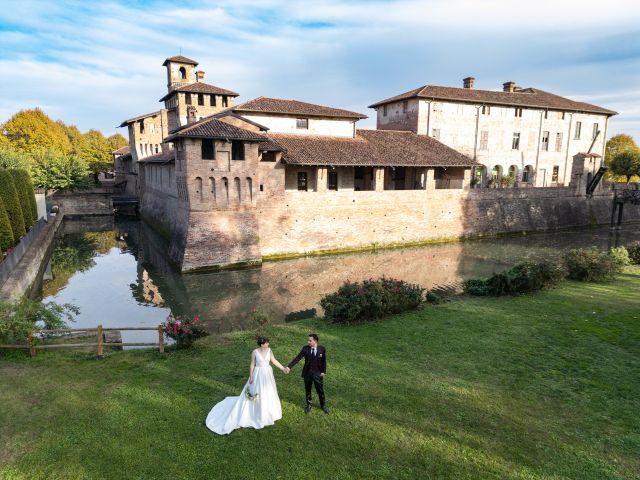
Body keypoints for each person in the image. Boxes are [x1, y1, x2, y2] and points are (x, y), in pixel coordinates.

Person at [205, 337, 287, 434]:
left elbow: (274, 361)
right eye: (266, 343)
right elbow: (252, 364)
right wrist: (251, 377)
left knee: (269, 391)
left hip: (267, 374)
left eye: (268, 343)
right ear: (261, 344)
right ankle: (256, 411)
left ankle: (269, 410)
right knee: (257, 391)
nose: (268, 344)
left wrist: (283, 368)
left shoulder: (269, 350)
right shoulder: (255, 352)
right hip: (258, 374)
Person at [286, 333, 329, 414]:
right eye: (308, 340)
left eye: (310, 340)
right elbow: (297, 358)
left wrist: (323, 371)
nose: (308, 342)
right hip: (307, 373)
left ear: (315, 341)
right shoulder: (305, 349)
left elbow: (324, 361)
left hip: (318, 373)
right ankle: (309, 405)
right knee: (308, 390)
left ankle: (323, 405)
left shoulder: (322, 349)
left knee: (320, 390)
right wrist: (289, 367)